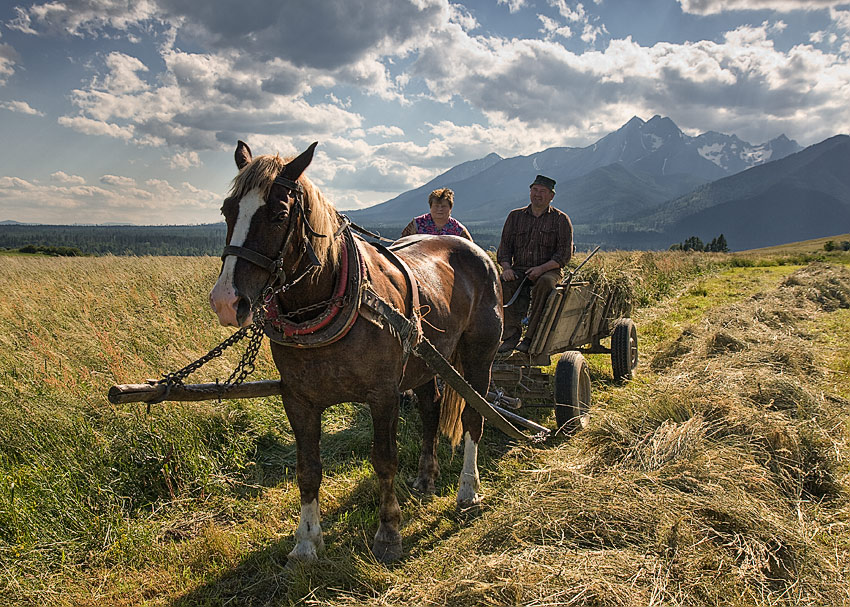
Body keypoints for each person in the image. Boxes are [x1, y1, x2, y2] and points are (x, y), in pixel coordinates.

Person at [497, 174, 573, 353]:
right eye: (535, 190)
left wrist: (542, 269)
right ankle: (510, 336)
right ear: (530, 192)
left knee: (545, 284)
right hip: (519, 268)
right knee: (503, 283)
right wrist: (507, 268)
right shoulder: (515, 217)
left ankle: (531, 337)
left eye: (543, 191)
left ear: (551, 196)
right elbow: (505, 247)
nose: (538, 194)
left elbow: (563, 255)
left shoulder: (561, 220)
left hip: (549, 270)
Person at [401, 188, 473, 241]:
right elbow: (401, 244)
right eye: (436, 206)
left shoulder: (458, 229)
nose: (440, 209)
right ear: (430, 207)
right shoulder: (416, 224)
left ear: (450, 208)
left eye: (444, 206)